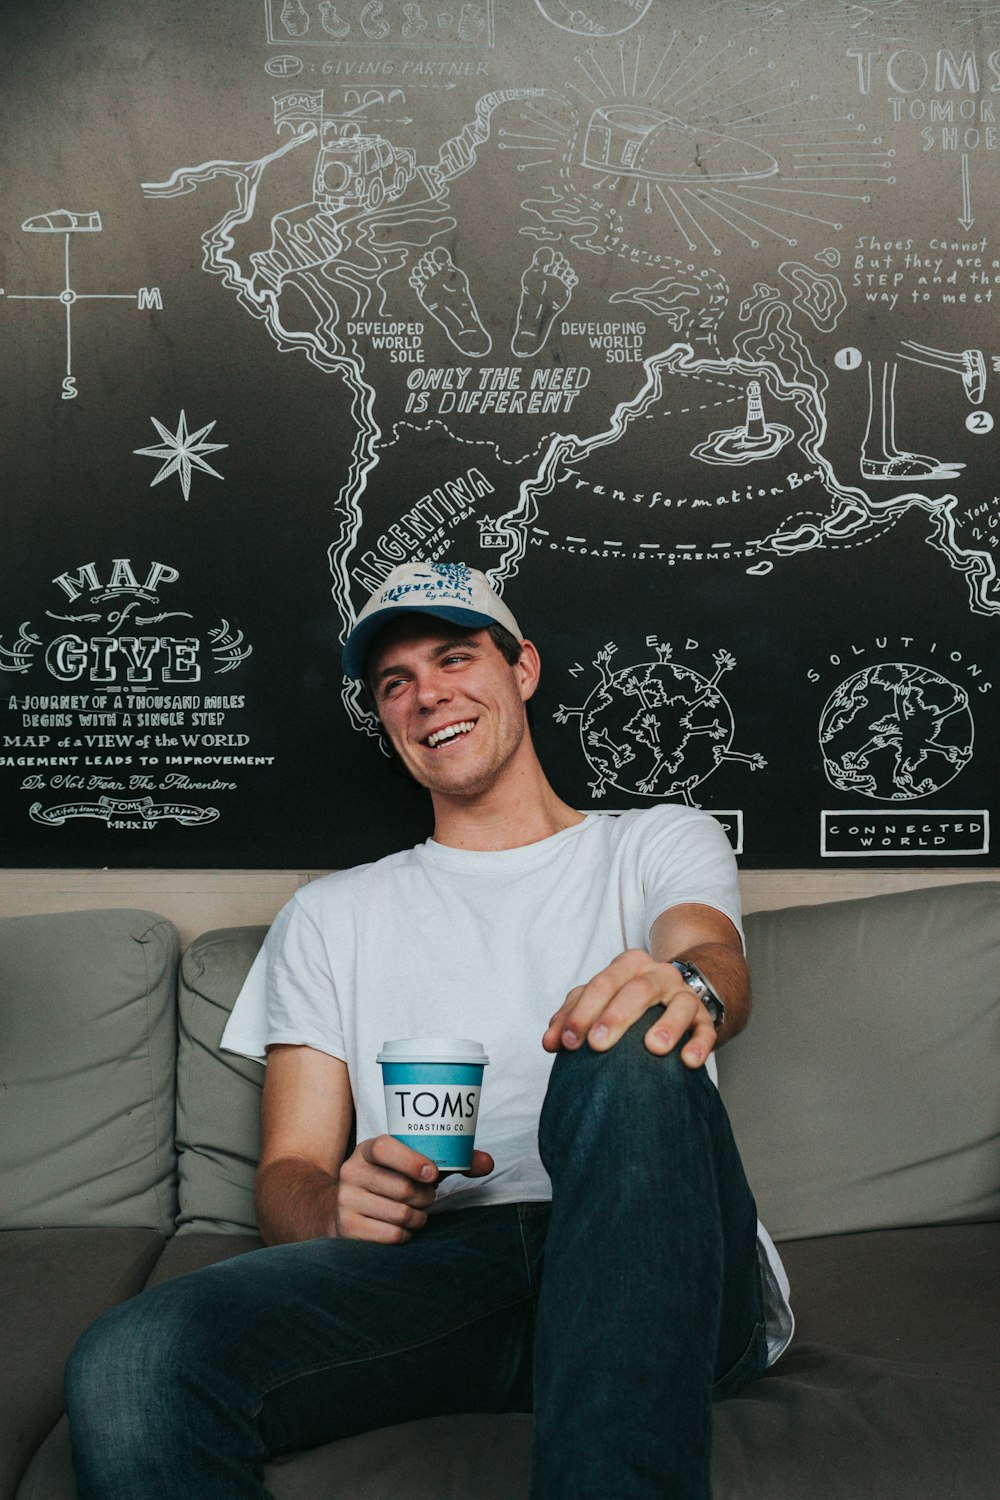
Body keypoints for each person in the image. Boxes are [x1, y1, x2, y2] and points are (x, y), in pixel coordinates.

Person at [65, 561, 793, 1500]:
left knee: (632, 1027)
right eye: (394, 683)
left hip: (663, 1254)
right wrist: (333, 1207)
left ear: (523, 668)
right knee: (132, 1360)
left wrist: (686, 984)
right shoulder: (330, 915)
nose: (426, 696)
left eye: (454, 657)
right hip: (448, 1278)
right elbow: (287, 1171)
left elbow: (709, 955)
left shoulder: (654, 839)